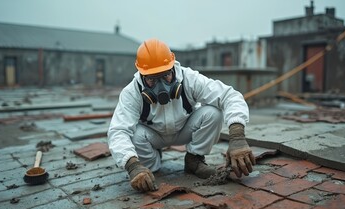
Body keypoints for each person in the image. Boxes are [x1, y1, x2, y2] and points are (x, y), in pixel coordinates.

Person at [107, 38, 255, 192]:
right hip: (151, 137)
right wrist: (132, 165)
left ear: (172, 68)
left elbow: (229, 96)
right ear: (142, 75)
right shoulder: (132, 92)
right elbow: (118, 131)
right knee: (137, 139)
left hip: (184, 129)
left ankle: (194, 160)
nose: (161, 86)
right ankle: (150, 165)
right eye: (152, 79)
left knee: (212, 113)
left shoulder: (189, 78)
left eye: (165, 76)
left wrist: (237, 136)